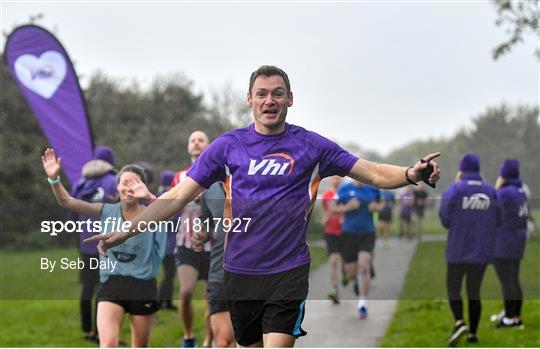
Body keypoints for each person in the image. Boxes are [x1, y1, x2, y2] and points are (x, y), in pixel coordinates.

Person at [87, 65, 441, 348]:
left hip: (288, 270)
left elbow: (374, 172)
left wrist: (412, 173)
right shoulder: (227, 148)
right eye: (262, 94)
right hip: (239, 272)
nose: (269, 100)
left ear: (290, 99)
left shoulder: (312, 146)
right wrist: (126, 230)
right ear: (249, 99)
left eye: (277, 94)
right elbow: (176, 197)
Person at [43, 149, 166, 347]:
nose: (129, 187)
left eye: (134, 183)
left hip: (143, 287)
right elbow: (68, 202)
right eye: (124, 182)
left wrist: (150, 196)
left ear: (143, 186)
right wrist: (54, 179)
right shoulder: (106, 210)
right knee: (108, 344)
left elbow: (168, 213)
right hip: (112, 284)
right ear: (116, 187)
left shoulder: (153, 213)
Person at [439, 153, 498, 346]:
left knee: (453, 288)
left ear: (461, 169)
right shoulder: (490, 190)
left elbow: (445, 217)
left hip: (457, 248)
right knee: (474, 291)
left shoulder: (455, 188)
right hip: (481, 250)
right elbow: (500, 218)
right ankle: (473, 333)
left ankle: (459, 321)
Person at [69, 145, 118, 342]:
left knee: (87, 286)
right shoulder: (113, 181)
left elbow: (71, 212)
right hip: (106, 241)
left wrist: (80, 229)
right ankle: (100, 332)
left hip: (85, 242)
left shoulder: (80, 183)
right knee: (104, 287)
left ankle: (87, 329)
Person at [171, 130, 213, 348]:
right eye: (192, 140)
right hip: (186, 243)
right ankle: (188, 337)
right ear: (188, 147)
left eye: (201, 140)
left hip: (212, 245)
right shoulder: (179, 177)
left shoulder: (219, 175)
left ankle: (208, 340)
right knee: (185, 292)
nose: (196, 143)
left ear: (209, 146)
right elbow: (169, 205)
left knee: (211, 299)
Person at [192, 182, 236, 347]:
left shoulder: (256, 182)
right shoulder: (209, 190)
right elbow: (205, 220)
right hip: (219, 271)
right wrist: (201, 235)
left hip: (255, 273)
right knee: (224, 340)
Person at [333, 180, 381, 319]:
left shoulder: (373, 188)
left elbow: (382, 203)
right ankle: (355, 281)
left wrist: (376, 207)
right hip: (349, 233)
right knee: (351, 272)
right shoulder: (344, 189)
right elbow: (334, 208)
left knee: (364, 266)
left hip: (367, 232)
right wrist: (347, 207)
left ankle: (362, 304)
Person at [492, 159, 528, 329]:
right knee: (514, 279)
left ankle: (510, 318)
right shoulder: (521, 190)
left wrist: (497, 187)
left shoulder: (504, 192)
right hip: (517, 241)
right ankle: (514, 314)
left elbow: (492, 212)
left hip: (503, 242)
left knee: (507, 281)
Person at [321, 176, 345, 304]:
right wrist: (323, 218)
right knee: (334, 261)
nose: (336, 182)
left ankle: (347, 274)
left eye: (338, 179)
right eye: (334, 179)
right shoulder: (327, 194)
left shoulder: (346, 193)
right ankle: (334, 290)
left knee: (346, 262)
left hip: (346, 231)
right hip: (330, 231)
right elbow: (324, 210)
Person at [157, 170, 178, 311]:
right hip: (169, 244)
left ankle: (167, 302)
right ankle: (161, 301)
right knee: (169, 275)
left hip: (160, 243)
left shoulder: (158, 196)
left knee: (169, 275)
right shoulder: (170, 197)